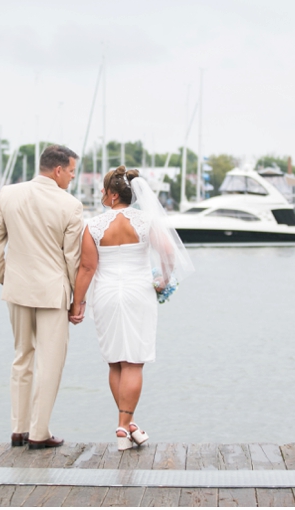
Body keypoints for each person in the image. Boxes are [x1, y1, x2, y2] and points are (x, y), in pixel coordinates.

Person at [70, 166, 194, 450]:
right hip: (139, 292)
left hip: (107, 294)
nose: (101, 193)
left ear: (113, 195)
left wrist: (77, 304)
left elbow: (87, 268)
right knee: (134, 361)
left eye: (103, 190)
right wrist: (163, 278)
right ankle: (124, 427)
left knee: (115, 361)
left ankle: (125, 427)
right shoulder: (145, 221)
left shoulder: (93, 226)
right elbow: (168, 252)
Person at [0, 145, 84, 450]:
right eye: (71, 172)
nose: (72, 178)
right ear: (57, 170)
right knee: (50, 363)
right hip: (52, 292)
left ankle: (18, 429)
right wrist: (76, 299)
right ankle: (39, 433)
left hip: (17, 288)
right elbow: (72, 259)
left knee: (21, 357)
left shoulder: (8, 194)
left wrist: (3, 275)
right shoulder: (71, 205)